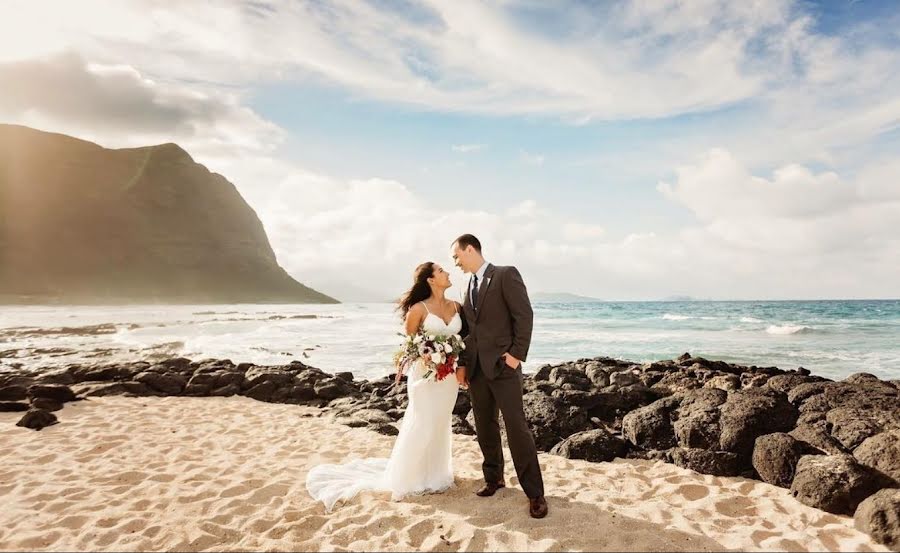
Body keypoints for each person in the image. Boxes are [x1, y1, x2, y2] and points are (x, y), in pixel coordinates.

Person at [306, 262, 465, 511]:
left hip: (448, 378)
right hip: (424, 376)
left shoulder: (457, 306)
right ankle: (408, 478)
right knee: (422, 421)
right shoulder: (417, 309)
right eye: (442, 271)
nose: (447, 273)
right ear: (431, 280)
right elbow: (410, 346)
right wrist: (428, 356)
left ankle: (436, 475)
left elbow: (465, 339)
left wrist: (454, 360)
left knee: (441, 421)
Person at [451, 233, 548, 519]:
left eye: (456, 255)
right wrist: (464, 365)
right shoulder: (466, 285)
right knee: (484, 427)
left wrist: (516, 356)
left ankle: (535, 493)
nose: (455, 262)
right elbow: (470, 332)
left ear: (470, 249)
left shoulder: (505, 275)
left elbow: (524, 316)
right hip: (478, 370)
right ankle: (494, 478)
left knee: (517, 429)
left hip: (505, 368)